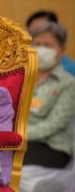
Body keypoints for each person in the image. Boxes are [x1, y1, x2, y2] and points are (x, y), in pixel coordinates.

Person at [24, 22, 75, 168]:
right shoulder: (25, 77)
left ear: (61, 50)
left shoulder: (67, 83)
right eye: (37, 44)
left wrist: (19, 135)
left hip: (52, 147)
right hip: (22, 142)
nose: (41, 49)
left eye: (47, 45)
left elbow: (54, 124)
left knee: (6, 159)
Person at [26, 11, 75, 76]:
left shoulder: (70, 72)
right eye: (33, 33)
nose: (39, 34)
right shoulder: (23, 68)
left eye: (44, 28)